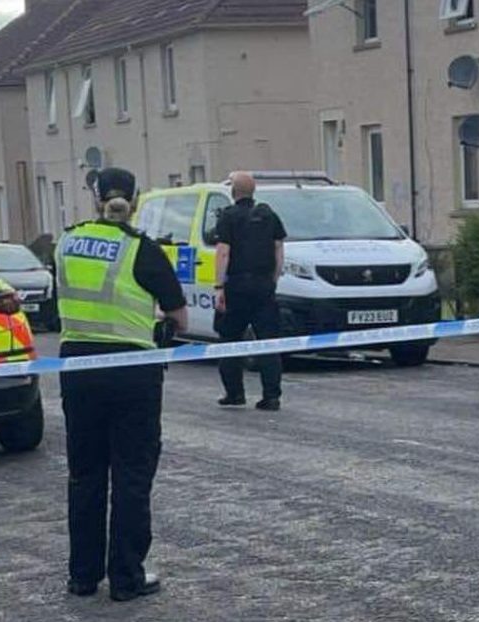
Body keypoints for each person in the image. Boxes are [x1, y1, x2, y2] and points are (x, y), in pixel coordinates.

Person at [55, 167, 188, 602]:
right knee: (131, 474)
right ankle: (127, 577)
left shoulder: (66, 242)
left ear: (95, 200)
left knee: (85, 474)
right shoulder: (143, 250)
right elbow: (178, 317)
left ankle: (82, 576)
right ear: (134, 201)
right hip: (132, 372)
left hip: (78, 369)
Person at [213, 171, 287, 411]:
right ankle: (271, 395)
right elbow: (278, 249)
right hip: (263, 286)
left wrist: (219, 286)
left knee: (229, 339)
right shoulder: (269, 215)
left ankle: (234, 393)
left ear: (234, 192)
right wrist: (273, 279)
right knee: (268, 342)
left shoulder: (228, 217)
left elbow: (223, 252)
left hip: (236, 286)